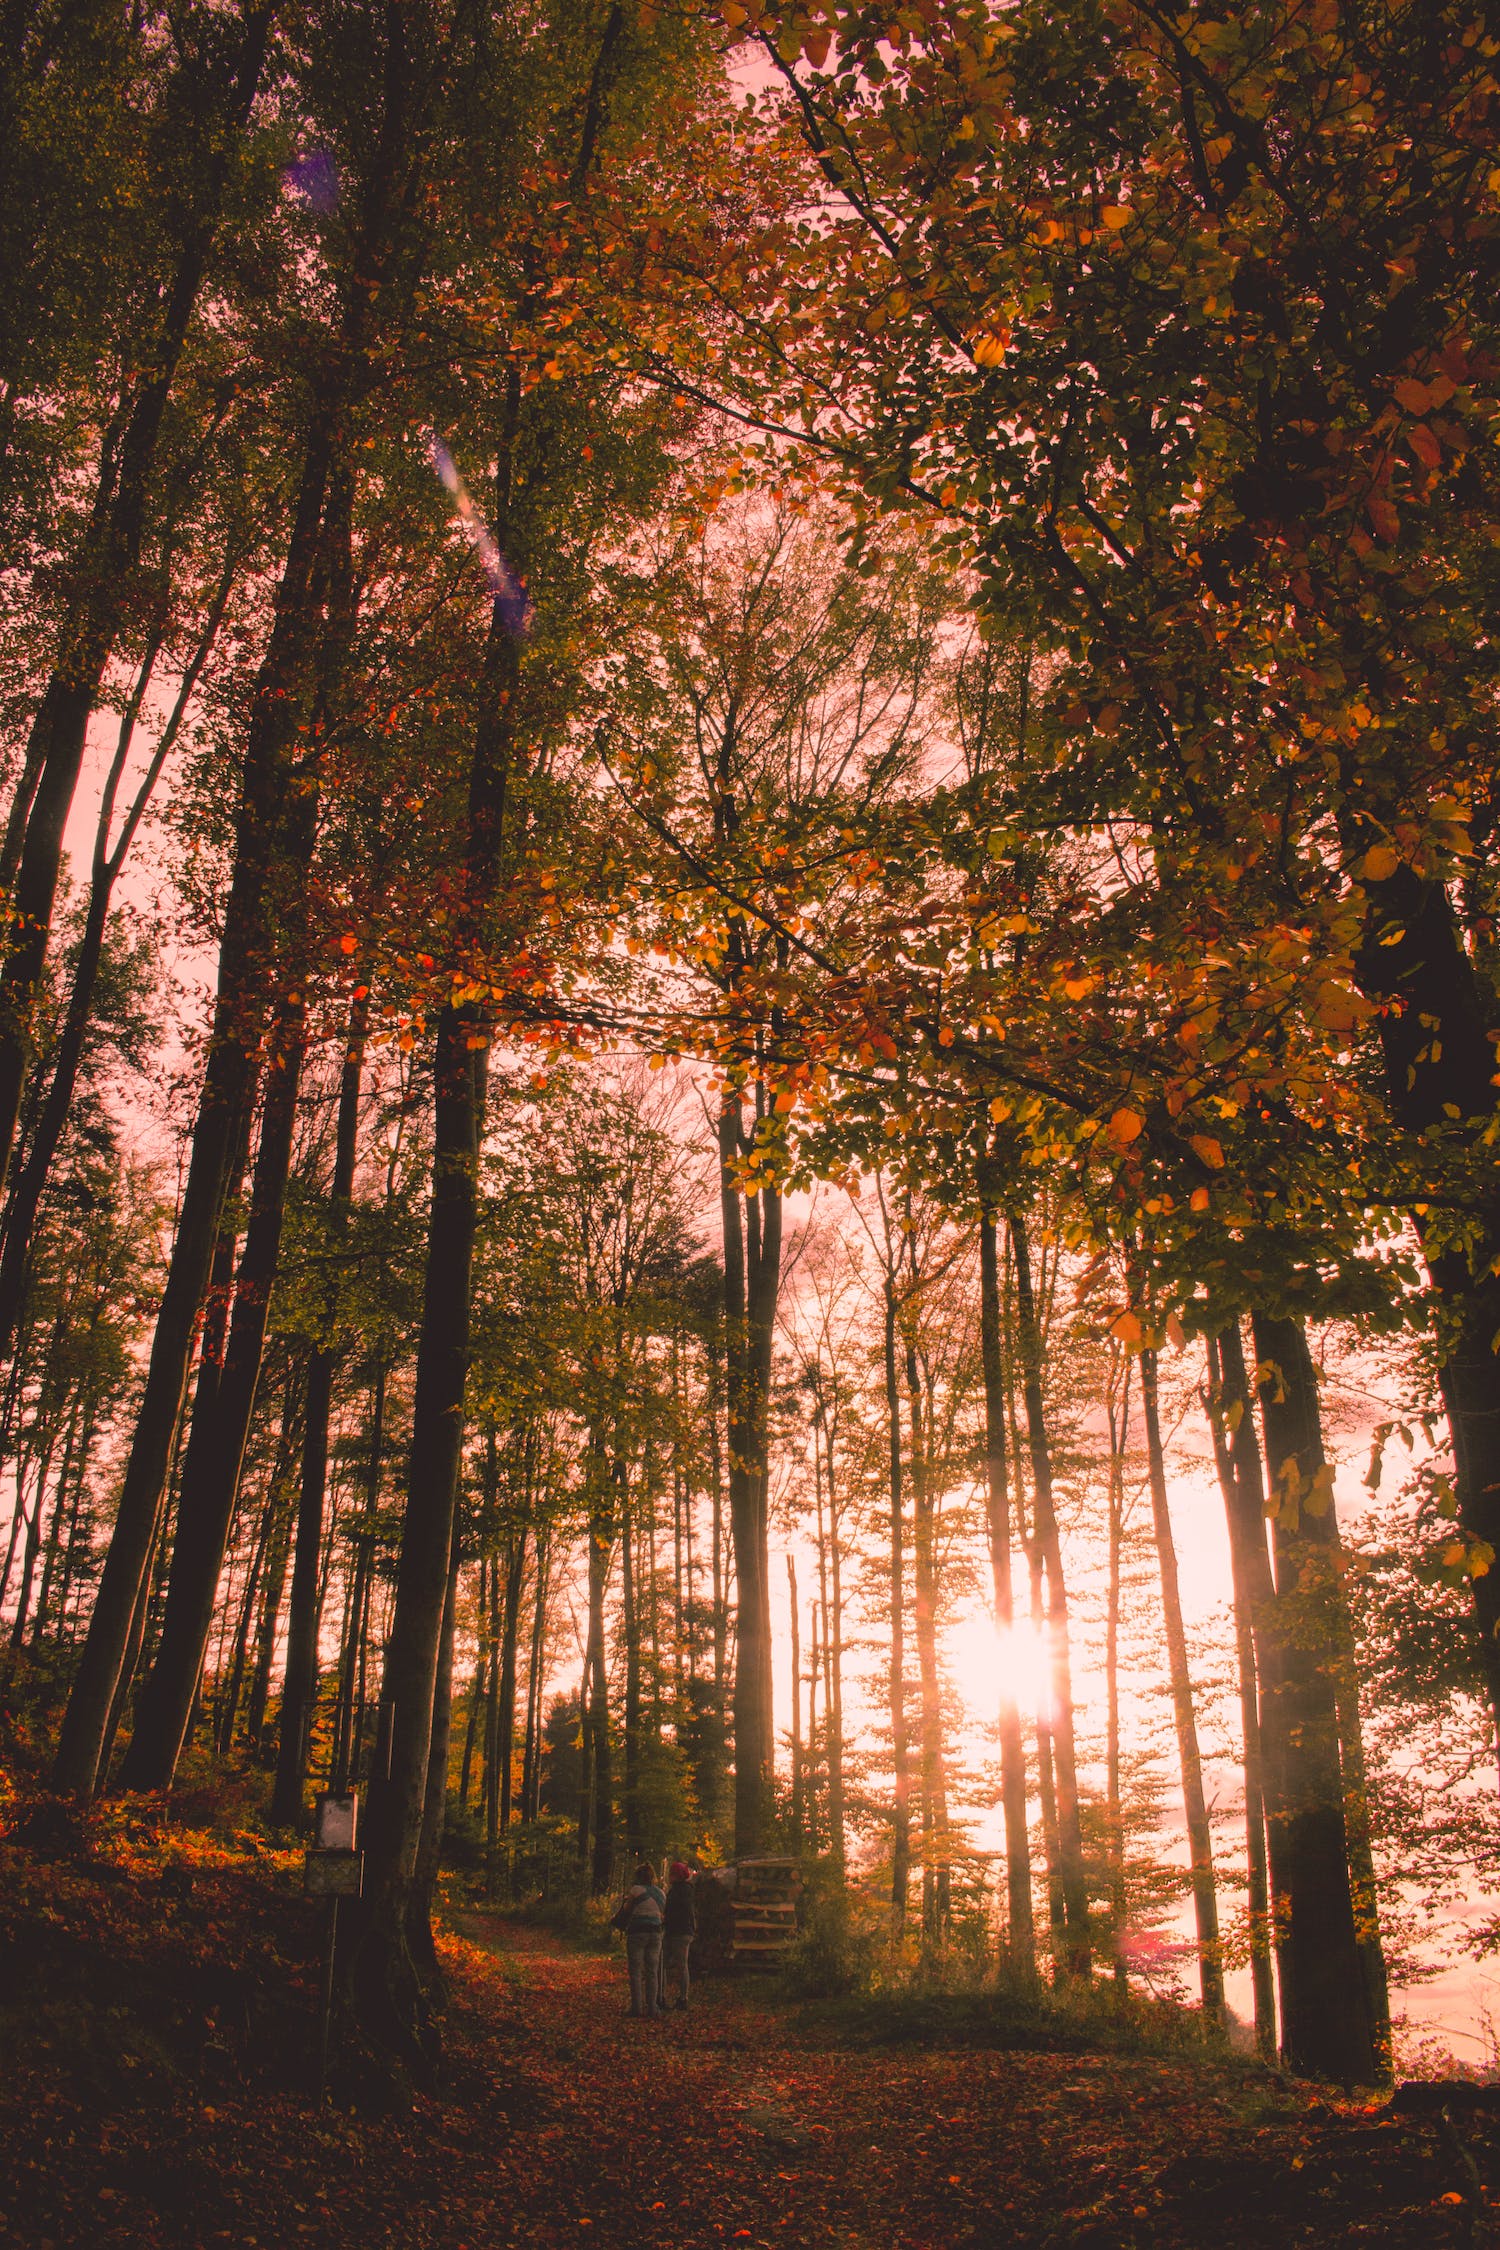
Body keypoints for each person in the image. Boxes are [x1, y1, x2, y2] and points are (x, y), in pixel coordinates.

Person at [619, 1860, 666, 2019]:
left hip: (637, 1933)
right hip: (655, 1933)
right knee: (652, 1971)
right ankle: (652, 2008)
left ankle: (636, 2007)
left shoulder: (635, 1890)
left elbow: (627, 1910)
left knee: (636, 1971)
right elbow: (662, 1913)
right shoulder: (661, 1893)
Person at [660, 1860, 696, 2012]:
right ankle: (664, 1996)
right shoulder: (679, 1890)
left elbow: (680, 1912)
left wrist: (667, 1919)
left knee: (680, 1965)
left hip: (679, 1932)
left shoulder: (681, 1891)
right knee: (666, 1963)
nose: (669, 1876)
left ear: (677, 1875)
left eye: (672, 1874)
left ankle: (682, 1998)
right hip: (677, 1932)